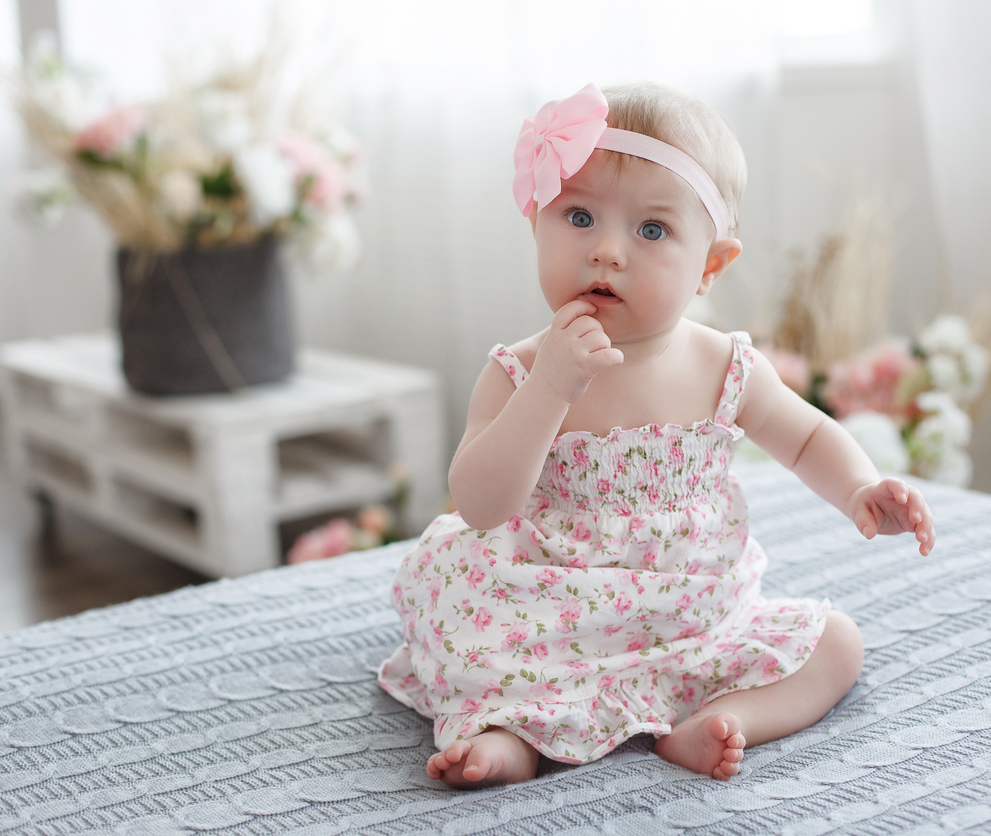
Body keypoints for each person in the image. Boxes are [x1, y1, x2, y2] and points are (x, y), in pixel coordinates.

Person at [377, 82, 936, 789]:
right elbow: (480, 503)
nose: (608, 251)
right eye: (578, 216)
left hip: (691, 613)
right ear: (535, 226)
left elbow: (807, 437)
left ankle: (718, 719)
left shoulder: (724, 366)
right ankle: (504, 736)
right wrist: (551, 389)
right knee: (480, 643)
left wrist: (860, 485)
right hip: (550, 612)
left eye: (651, 230)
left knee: (837, 646)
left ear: (710, 265)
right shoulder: (519, 372)